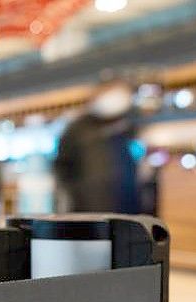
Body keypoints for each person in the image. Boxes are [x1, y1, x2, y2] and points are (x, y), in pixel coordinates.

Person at [54, 79, 141, 214]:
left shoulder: (127, 127)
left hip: (127, 207)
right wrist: (76, 194)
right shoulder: (77, 128)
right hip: (89, 209)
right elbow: (62, 167)